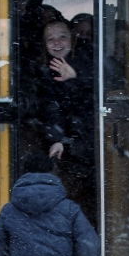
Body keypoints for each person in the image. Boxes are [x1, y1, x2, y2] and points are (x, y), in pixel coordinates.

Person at [31, 19, 96, 224]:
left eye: (62, 37)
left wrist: (76, 78)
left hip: (87, 143)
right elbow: (48, 110)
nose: (57, 43)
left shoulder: (90, 59)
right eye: (50, 39)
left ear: (73, 38)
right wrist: (57, 139)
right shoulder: (41, 68)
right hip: (60, 144)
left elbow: (94, 105)